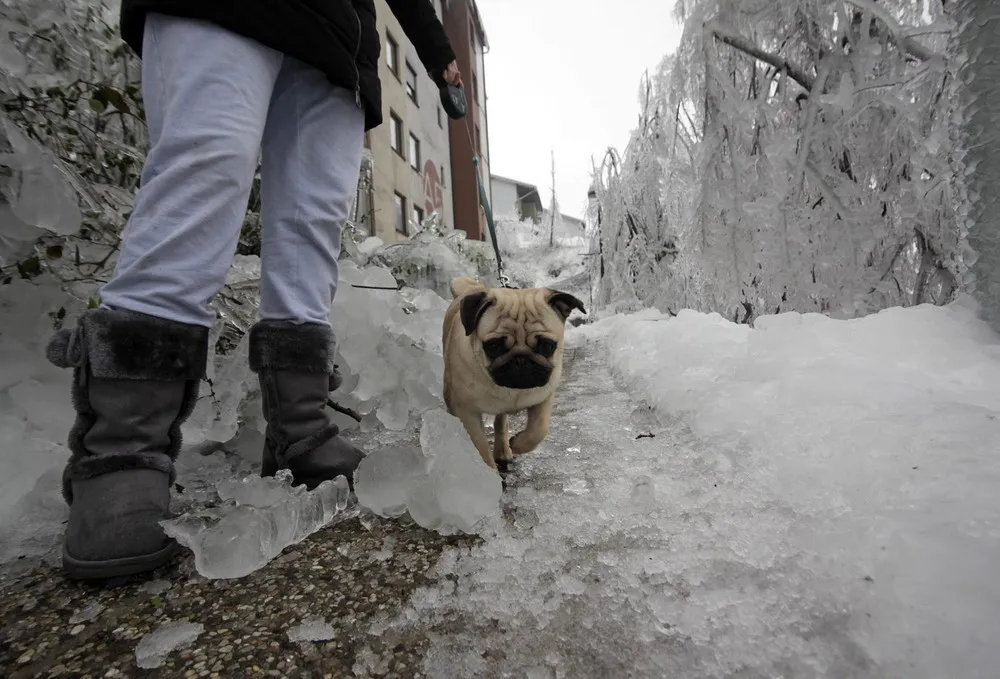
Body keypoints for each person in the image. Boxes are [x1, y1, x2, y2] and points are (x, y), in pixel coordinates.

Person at [44, 0, 463, 580]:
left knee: (312, 223)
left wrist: (439, 53)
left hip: (339, 39)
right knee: (204, 166)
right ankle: (121, 454)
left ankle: (301, 429)